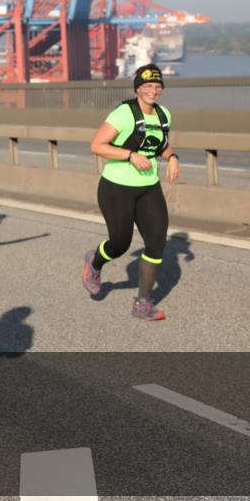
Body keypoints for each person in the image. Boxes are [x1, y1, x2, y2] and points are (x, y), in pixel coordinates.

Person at [82, 64, 181, 321]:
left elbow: (160, 145)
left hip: (148, 186)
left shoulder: (164, 115)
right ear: (138, 88)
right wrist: (129, 155)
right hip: (116, 187)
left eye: (157, 86)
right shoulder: (124, 113)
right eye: (147, 86)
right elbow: (97, 145)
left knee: (157, 242)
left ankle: (143, 304)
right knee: (119, 243)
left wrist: (172, 158)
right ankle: (95, 262)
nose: (153, 91)